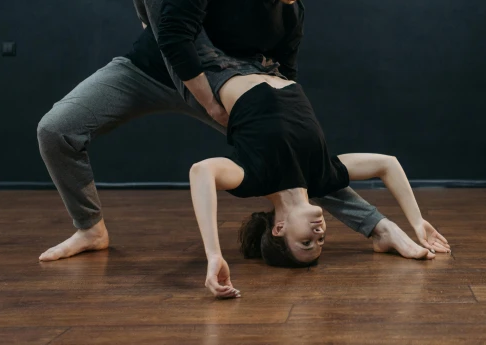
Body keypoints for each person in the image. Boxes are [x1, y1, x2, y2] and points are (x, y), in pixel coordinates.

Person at [37, 0, 448, 262]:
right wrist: (210, 103)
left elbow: (286, 80)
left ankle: (379, 229)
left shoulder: (290, 12)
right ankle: (90, 228)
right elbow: (178, 37)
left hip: (227, 84)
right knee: (56, 129)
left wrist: (272, 120)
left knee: (290, 160)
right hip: (152, 67)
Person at [188, 71, 449, 299]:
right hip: (269, 59)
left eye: (306, 243)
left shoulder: (253, 180)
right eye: (322, 240)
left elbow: (201, 171)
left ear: (279, 228)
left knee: (164, 30)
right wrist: (417, 222)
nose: (318, 235)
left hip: (218, 65)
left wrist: (214, 254)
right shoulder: (322, 177)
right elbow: (387, 164)